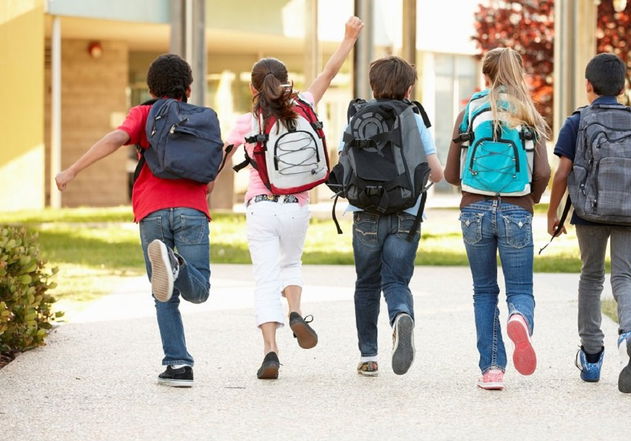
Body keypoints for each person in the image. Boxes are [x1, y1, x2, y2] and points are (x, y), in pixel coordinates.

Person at [55, 54, 214, 387]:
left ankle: (178, 366)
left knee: (162, 293)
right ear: (188, 88)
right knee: (199, 292)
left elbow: (115, 139)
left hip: (152, 210)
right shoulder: (202, 120)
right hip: (192, 210)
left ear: (151, 88)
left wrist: (72, 170)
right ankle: (177, 266)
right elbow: (209, 178)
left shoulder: (145, 113)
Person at [224, 16, 364, 380]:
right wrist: (348, 37)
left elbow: (218, 157)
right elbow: (331, 72)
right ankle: (296, 311)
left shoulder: (246, 121)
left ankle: (271, 351)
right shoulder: (304, 102)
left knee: (265, 280)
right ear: (287, 83)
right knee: (292, 264)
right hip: (296, 206)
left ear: (254, 89)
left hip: (260, 207)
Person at [547, 52, 631, 393]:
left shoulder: (578, 121)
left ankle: (591, 356)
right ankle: (630, 333)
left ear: (588, 85)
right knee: (624, 277)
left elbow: (562, 172)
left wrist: (553, 213)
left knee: (591, 277)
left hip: (590, 212)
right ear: (622, 87)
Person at [444, 47, 551, 390]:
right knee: (519, 288)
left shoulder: (470, 110)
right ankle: (519, 317)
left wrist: (472, 186)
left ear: (485, 76)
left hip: (474, 209)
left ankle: (492, 369)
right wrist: (528, 200)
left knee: (484, 290)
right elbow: (544, 171)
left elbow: (449, 173)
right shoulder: (527, 112)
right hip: (516, 209)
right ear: (518, 74)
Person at [340, 56, 443, 377]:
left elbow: (344, 165)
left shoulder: (358, 116)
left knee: (366, 283)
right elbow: (437, 173)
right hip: (406, 214)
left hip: (365, 214)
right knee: (396, 280)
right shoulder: (413, 117)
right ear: (409, 88)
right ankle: (400, 315)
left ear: (373, 85)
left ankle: (368, 356)